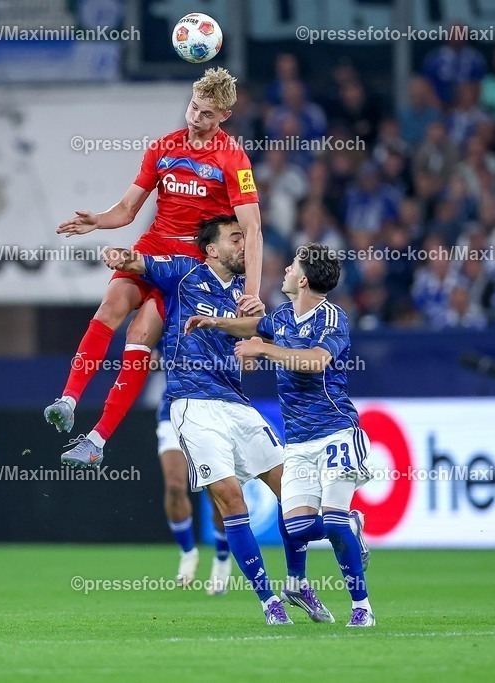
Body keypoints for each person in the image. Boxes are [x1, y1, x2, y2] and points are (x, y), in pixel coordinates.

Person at [105, 215, 333, 625]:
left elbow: (274, 334)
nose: (244, 246)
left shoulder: (248, 299)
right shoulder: (184, 272)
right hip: (192, 403)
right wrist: (120, 254)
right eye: (235, 239)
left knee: (295, 496)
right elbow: (138, 264)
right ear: (212, 250)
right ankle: (268, 602)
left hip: (238, 404)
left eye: (245, 238)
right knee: (230, 496)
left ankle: (296, 584)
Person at [45, 67, 265, 467]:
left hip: (190, 264)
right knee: (110, 306)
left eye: (207, 114)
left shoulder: (232, 158)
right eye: (194, 108)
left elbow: (253, 229)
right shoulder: (163, 147)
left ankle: (96, 440)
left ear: (224, 117)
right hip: (153, 244)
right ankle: (68, 399)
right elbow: (128, 209)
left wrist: (250, 292)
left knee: (141, 333)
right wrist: (98, 219)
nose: (196, 118)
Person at [186, 243, 375, 627]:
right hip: (300, 442)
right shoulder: (285, 316)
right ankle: (349, 528)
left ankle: (362, 608)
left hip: (336, 431)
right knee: (298, 528)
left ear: (303, 279)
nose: (286, 269)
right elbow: (255, 328)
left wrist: (264, 351)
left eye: (292, 265)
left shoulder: (332, 318)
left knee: (335, 522)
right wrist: (215, 323)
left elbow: (316, 361)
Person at [156, 395, 231, 594]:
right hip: (172, 411)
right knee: (174, 486)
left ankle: (222, 559)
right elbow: (149, 365)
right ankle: (188, 553)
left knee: (217, 491)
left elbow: (249, 366)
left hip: (210, 411)